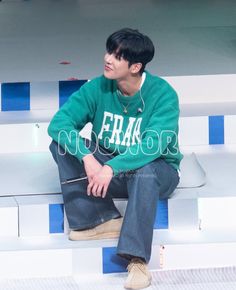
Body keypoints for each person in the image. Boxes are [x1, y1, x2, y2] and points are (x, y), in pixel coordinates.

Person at [48, 28, 183, 290]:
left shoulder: (163, 94)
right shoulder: (98, 86)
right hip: (111, 166)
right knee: (63, 145)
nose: (108, 59)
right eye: (109, 51)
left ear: (135, 67)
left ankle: (138, 261)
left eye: (117, 56)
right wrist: (88, 157)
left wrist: (111, 167)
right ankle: (98, 219)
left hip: (158, 170)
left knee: (148, 170)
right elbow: (59, 124)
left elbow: (154, 145)